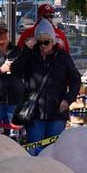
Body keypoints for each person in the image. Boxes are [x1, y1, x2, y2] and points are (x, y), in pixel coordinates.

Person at [12, 19, 81, 151]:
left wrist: (68, 99)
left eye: (46, 42)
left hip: (56, 111)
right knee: (36, 150)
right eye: (40, 42)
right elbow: (16, 72)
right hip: (34, 113)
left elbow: (75, 79)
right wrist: (26, 50)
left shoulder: (62, 57)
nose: (43, 46)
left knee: (54, 150)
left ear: (53, 41)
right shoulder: (30, 55)